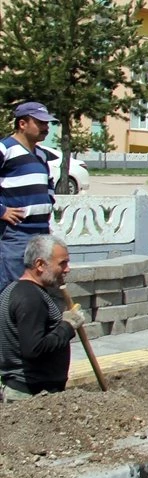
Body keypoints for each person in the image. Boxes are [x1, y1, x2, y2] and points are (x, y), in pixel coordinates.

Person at [0, 234, 85, 401]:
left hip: (28, 391)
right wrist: (67, 326)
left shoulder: (14, 290)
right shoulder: (30, 298)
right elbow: (34, 349)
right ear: (39, 264)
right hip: (32, 394)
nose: (67, 269)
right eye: (62, 263)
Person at [0, 102, 58, 288]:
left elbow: (48, 185)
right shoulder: (5, 149)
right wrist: (1, 211)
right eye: (40, 123)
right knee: (13, 287)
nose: (45, 128)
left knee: (37, 287)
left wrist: (48, 204)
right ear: (22, 124)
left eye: (47, 124)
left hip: (40, 233)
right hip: (16, 233)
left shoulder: (41, 154)